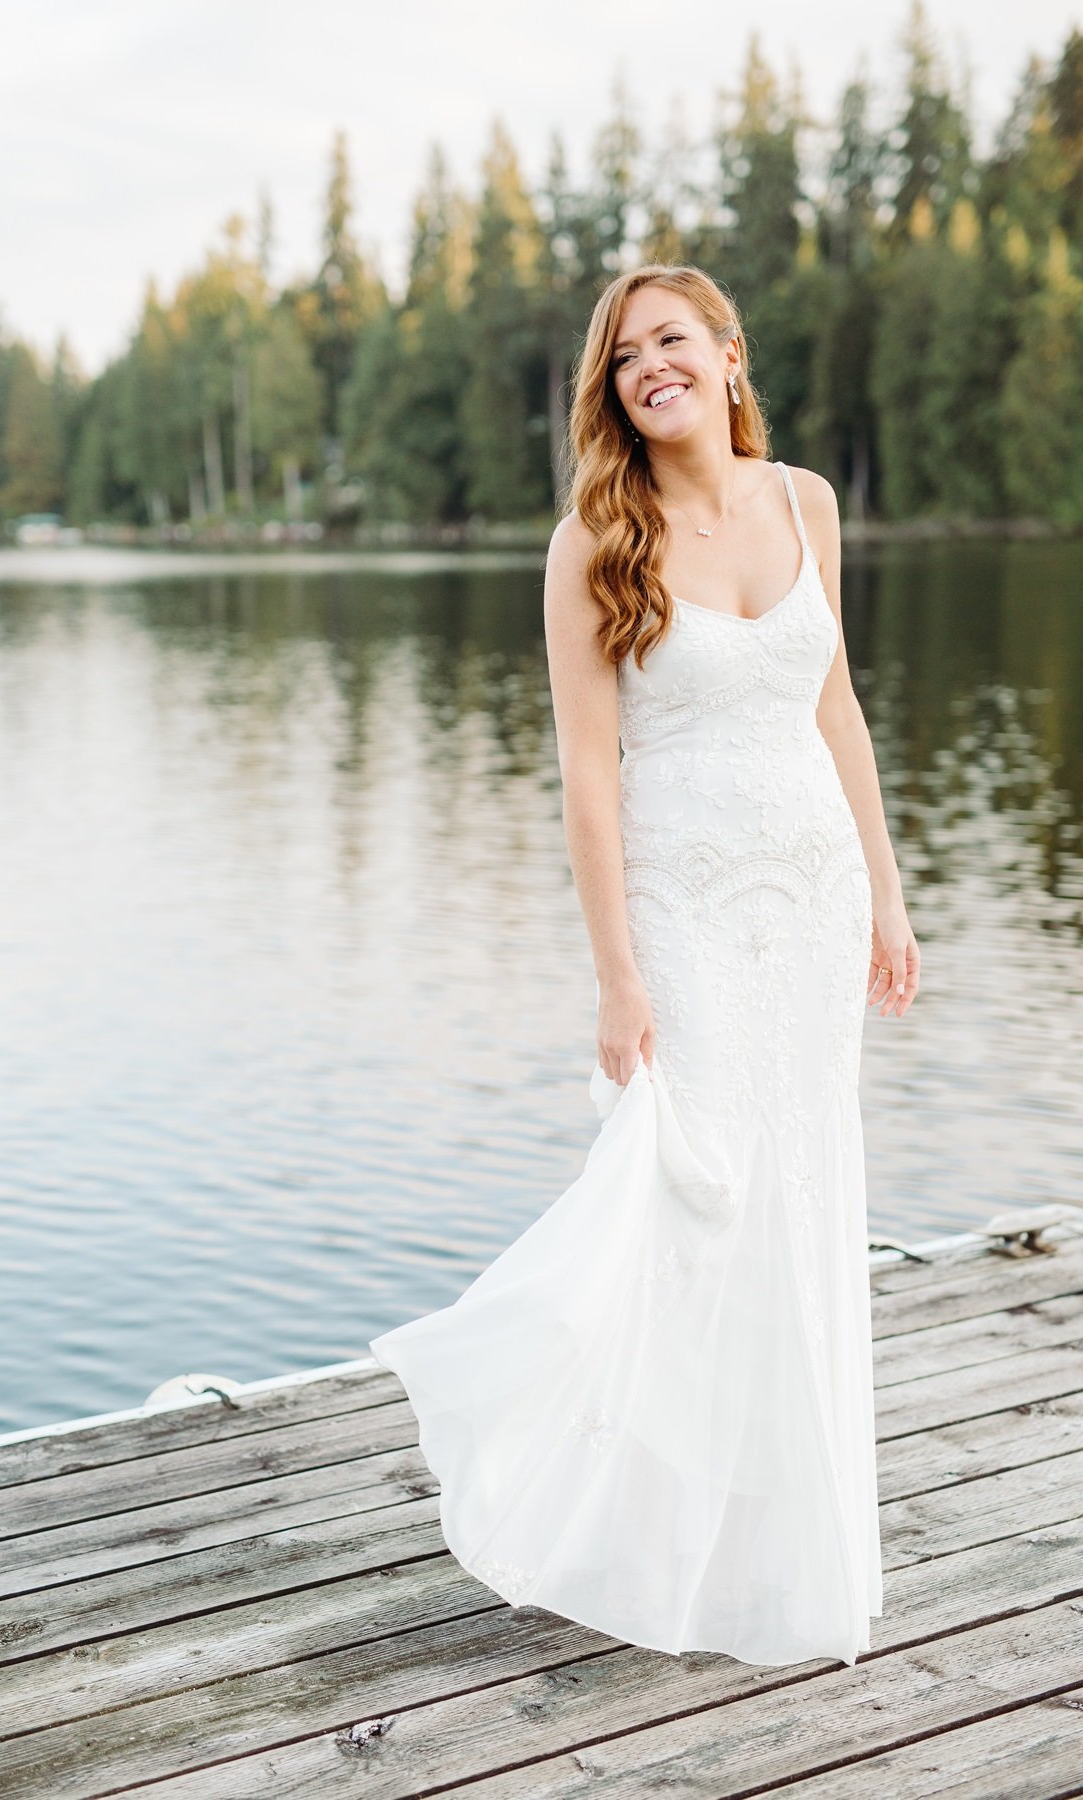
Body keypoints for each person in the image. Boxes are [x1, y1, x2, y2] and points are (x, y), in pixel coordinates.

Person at [371, 263, 920, 1670]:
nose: (648, 369)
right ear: (610, 393)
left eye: (672, 341)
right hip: (680, 902)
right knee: (689, 1183)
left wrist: (889, 894)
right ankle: (607, 1502)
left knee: (798, 1192)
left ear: (731, 356)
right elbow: (588, 773)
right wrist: (616, 974)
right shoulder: (591, 541)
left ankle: (771, 1539)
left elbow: (835, 703)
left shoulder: (808, 503)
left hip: (809, 894)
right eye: (624, 359)